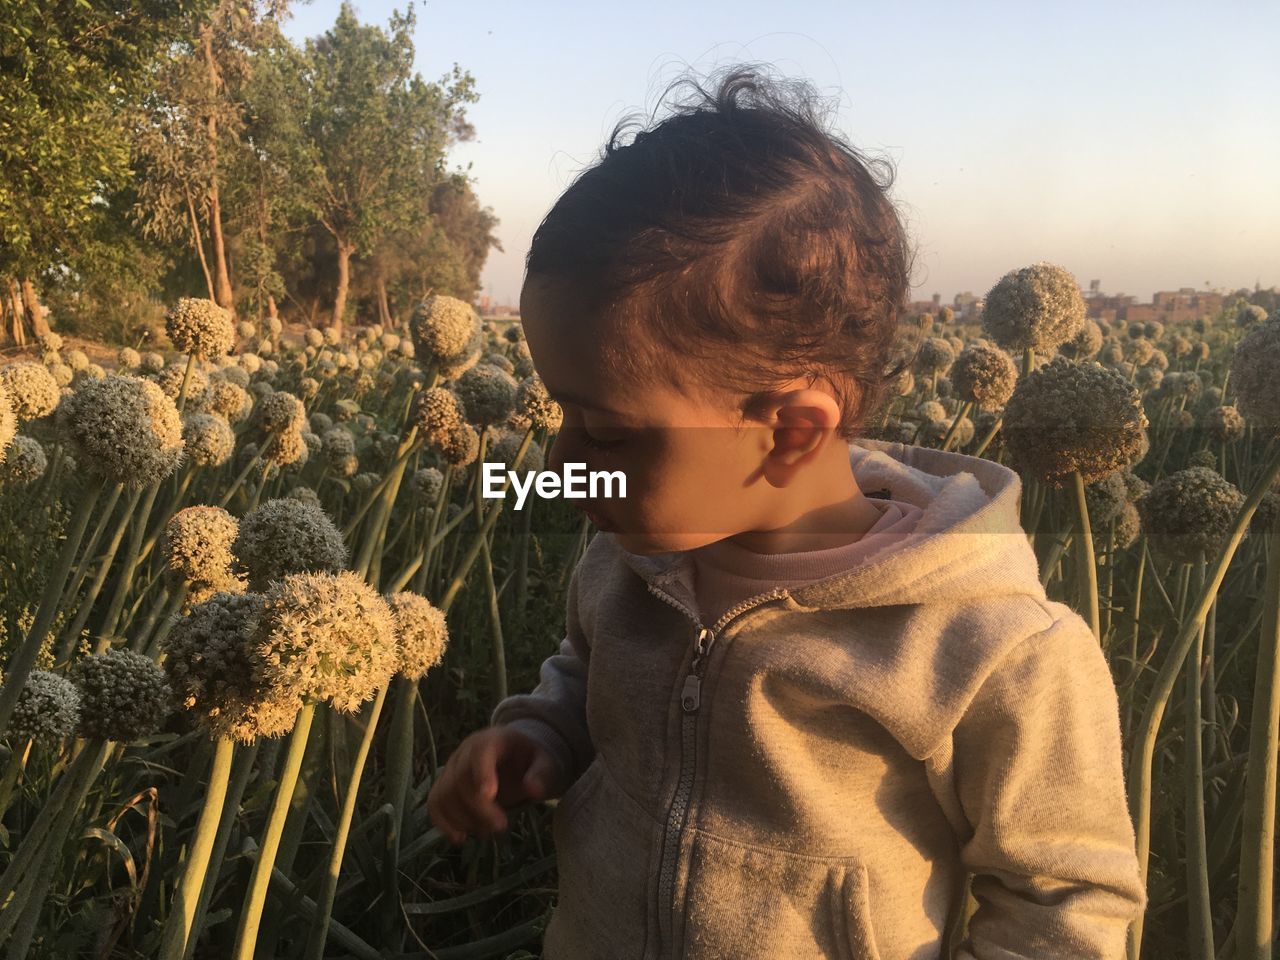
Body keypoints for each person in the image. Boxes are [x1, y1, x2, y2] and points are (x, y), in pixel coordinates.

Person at [426, 64, 1147, 959]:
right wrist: (538, 735)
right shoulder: (628, 560)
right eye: (561, 413)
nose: (563, 461)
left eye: (608, 432)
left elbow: (1066, 905)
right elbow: (585, 672)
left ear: (791, 433)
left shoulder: (990, 647)